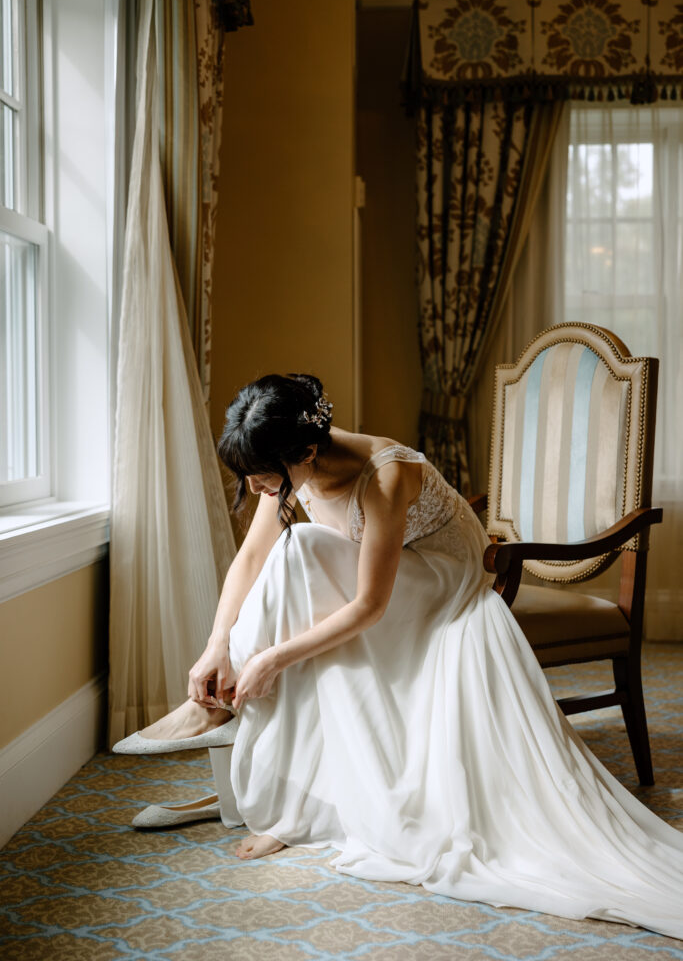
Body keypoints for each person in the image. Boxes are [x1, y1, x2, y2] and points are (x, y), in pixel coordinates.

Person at [114, 373, 683, 938]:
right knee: (290, 554)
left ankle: (228, 715)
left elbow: (368, 606)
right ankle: (259, 755)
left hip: (443, 586)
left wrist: (272, 658)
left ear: (306, 452)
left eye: (265, 481)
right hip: (380, 576)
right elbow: (250, 558)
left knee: (300, 555)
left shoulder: (387, 473)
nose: (262, 491)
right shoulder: (286, 464)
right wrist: (216, 644)